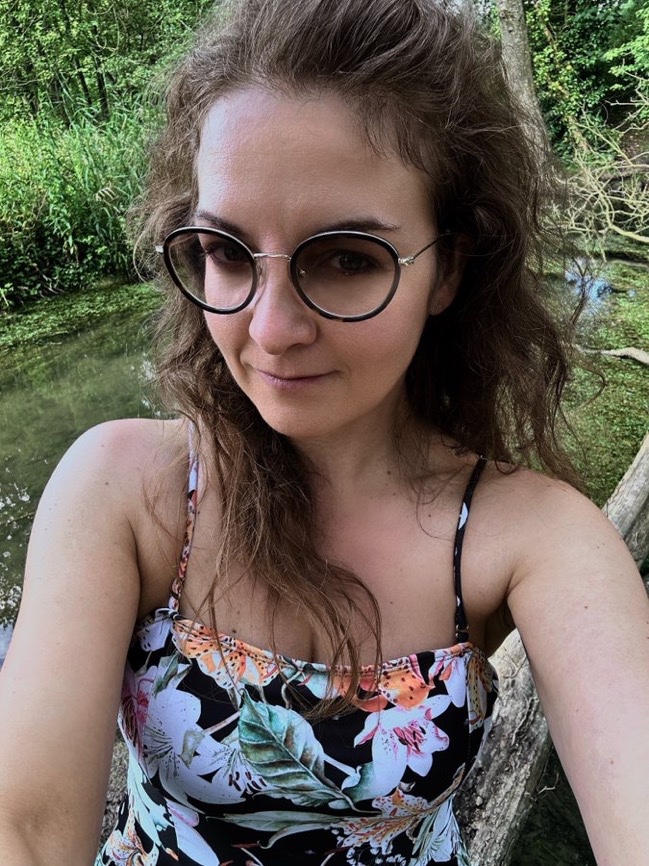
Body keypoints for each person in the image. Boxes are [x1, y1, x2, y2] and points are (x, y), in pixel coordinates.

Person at [1, 0, 648, 863]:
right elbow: (28, 826)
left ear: (447, 270)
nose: (270, 330)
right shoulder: (127, 492)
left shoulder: (530, 537)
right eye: (227, 251)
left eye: (345, 259)